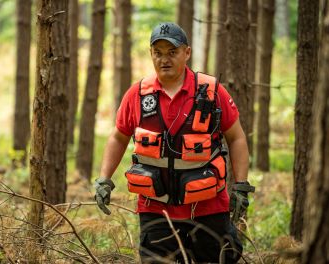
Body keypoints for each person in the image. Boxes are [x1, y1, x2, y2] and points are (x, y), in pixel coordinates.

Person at [94, 22, 254, 263]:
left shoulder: (211, 92)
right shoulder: (137, 95)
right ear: (150, 54)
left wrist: (240, 185)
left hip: (208, 207)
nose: (164, 59)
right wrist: (104, 179)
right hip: (155, 210)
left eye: (172, 52)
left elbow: (237, 137)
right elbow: (118, 137)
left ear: (187, 53)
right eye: (157, 53)